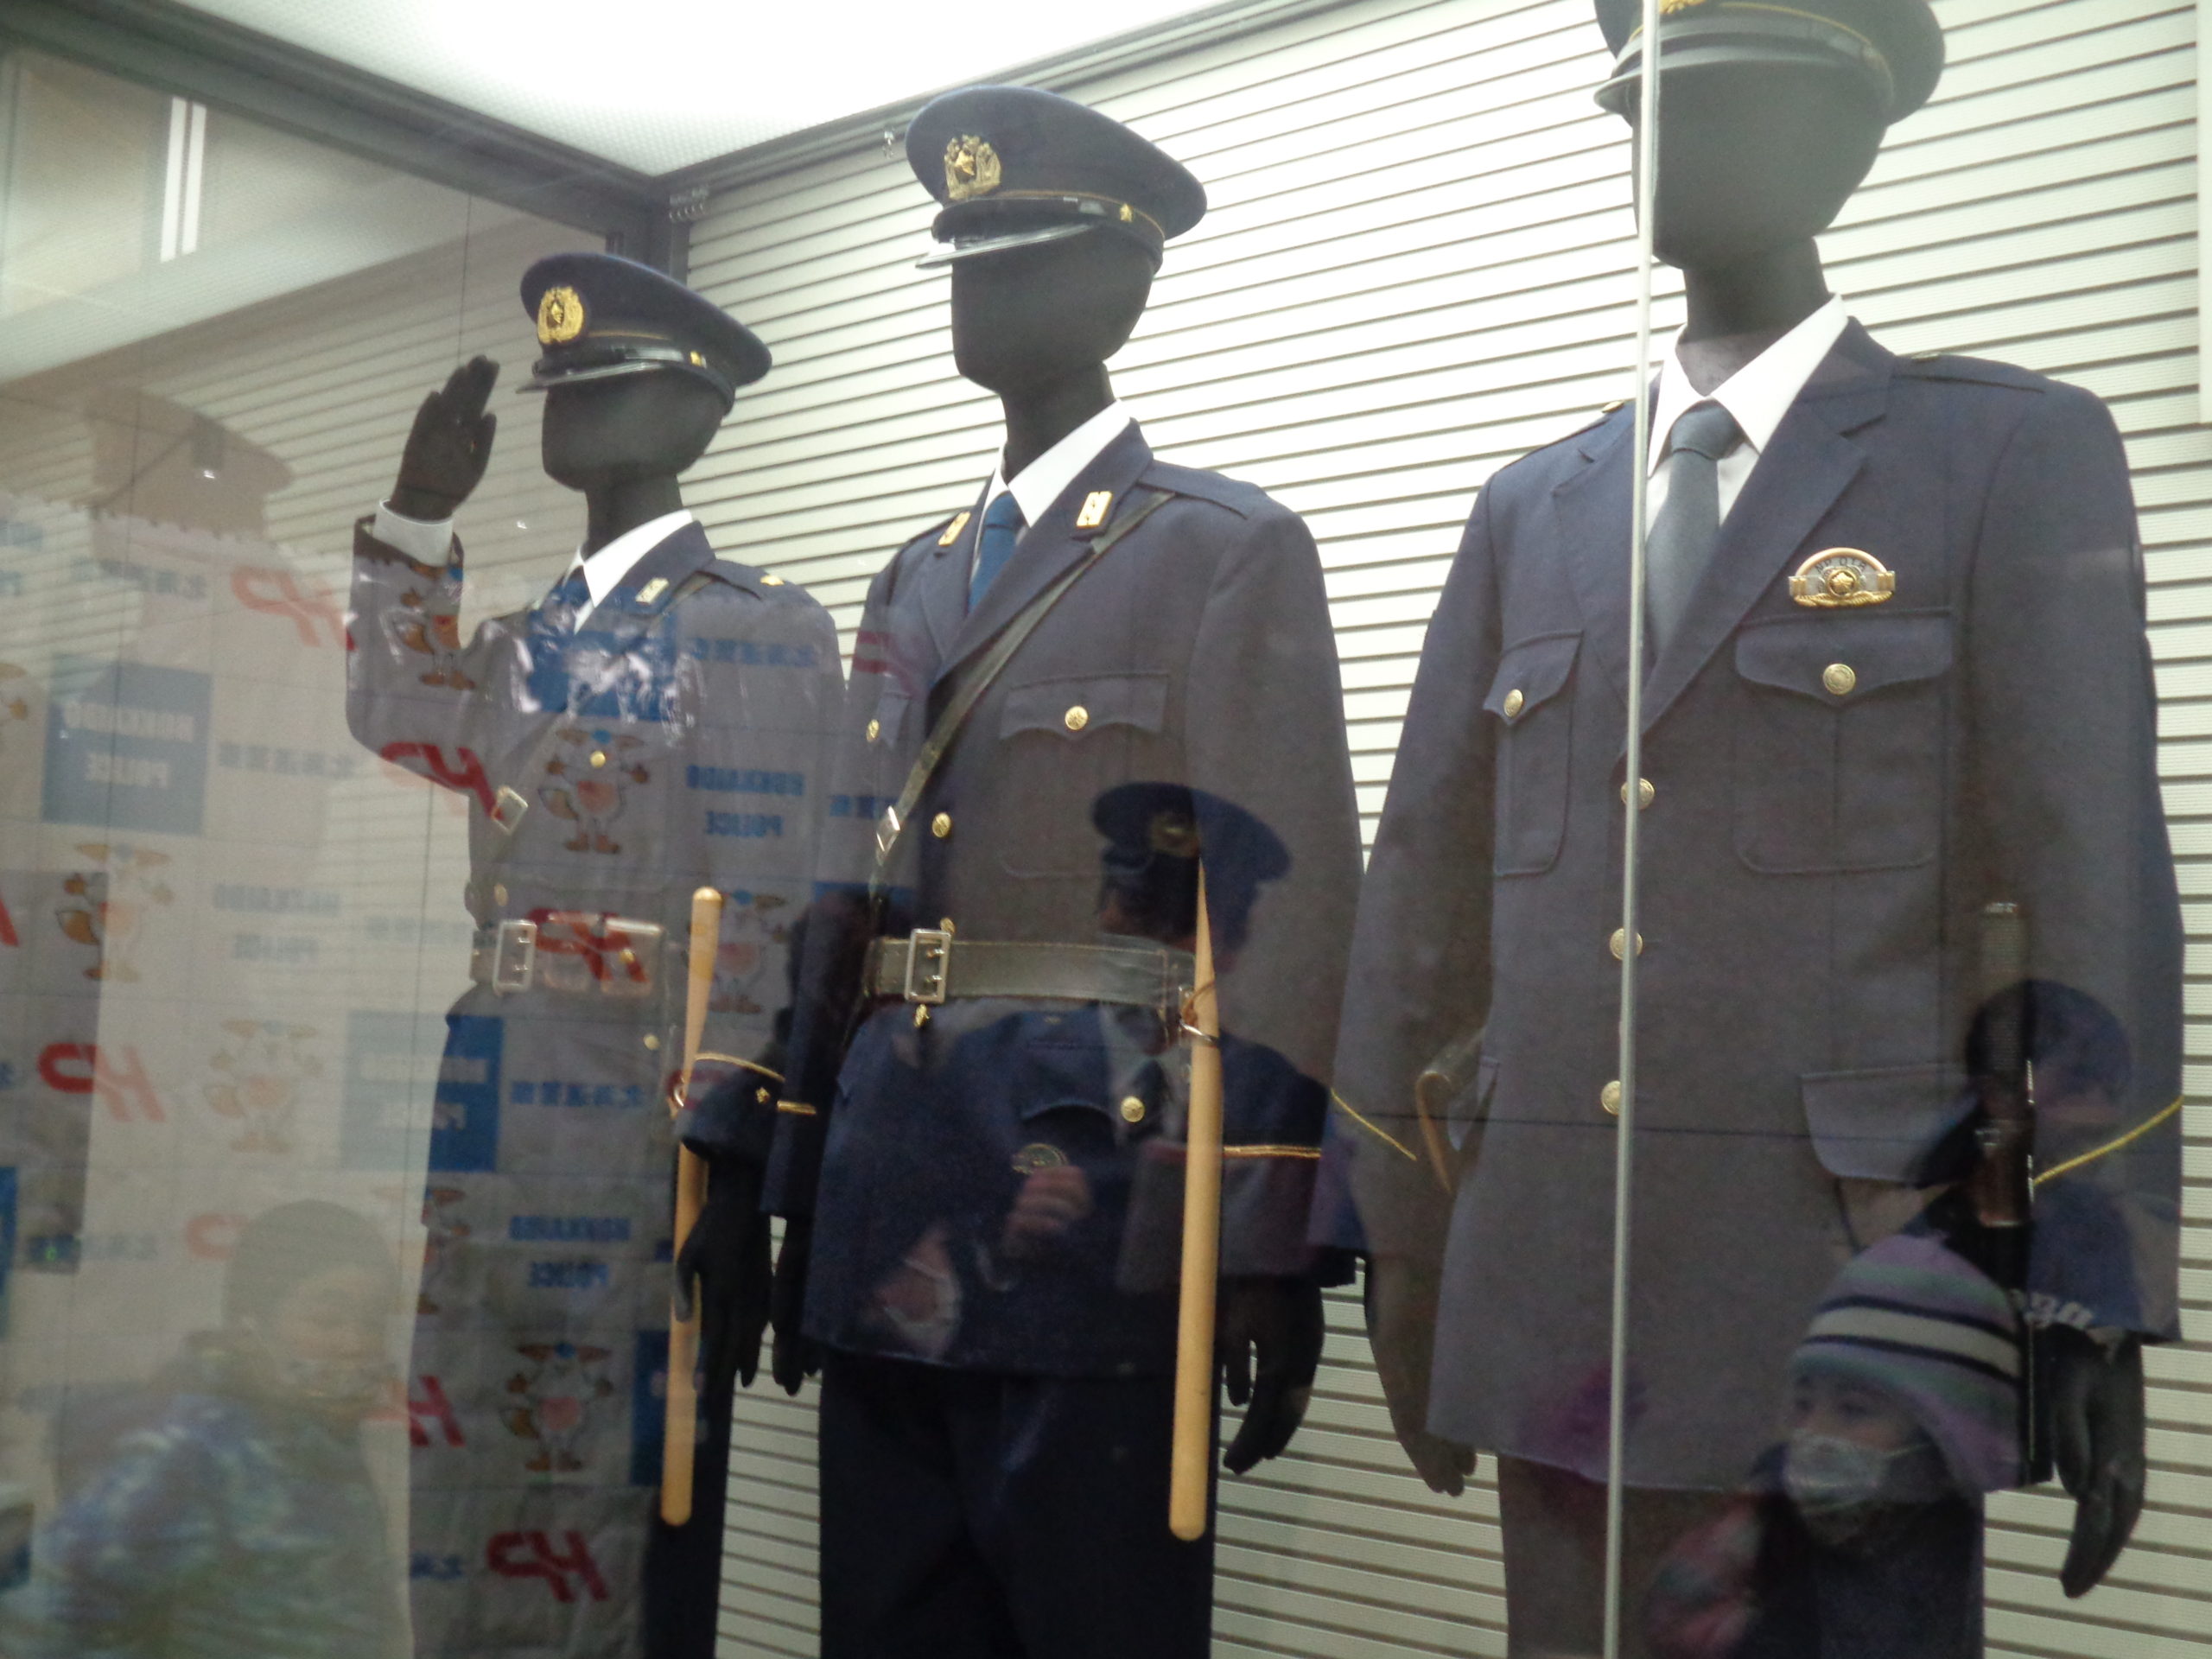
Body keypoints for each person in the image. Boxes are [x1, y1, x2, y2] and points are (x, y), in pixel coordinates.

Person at [1330, 0, 2183, 1650]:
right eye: (1652, 109)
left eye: (1733, 106)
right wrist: (1400, 1241)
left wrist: (2097, 1278)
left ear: (1843, 143)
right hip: (1554, 1289)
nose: (1674, 149)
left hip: (1854, 1306)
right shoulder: (1534, 506)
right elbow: (1422, 893)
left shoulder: (2003, 452)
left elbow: (2091, 881)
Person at [730, 84, 1363, 1659]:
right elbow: (847, 890)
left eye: (1020, 257)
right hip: (893, 1198)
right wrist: (793, 1185)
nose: (979, 292)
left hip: (1096, 1210)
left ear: (1123, 283)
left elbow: (1290, 916)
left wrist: (1270, 1238)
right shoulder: (916, 574)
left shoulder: (1217, 549)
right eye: (964, 259)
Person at [346, 252, 840, 1659]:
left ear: (692, 411)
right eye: (557, 387)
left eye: (600, 386)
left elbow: (773, 903)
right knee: (464, 1474)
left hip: (637, 1111)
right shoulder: (525, 637)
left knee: (610, 1505)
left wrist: (737, 1158)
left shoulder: (751, 627)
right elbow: (397, 709)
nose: (565, 414)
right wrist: (414, 520)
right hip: (494, 1091)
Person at [3, 1199, 404, 1659]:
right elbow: (37, 1620)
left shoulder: (328, 1446)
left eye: (372, 1323)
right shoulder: (196, 1454)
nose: (355, 1343)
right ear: (250, 1327)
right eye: (326, 1320)